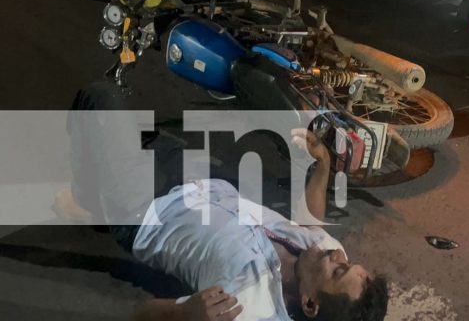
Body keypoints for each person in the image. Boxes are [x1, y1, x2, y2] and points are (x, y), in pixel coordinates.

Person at [61, 82, 389, 321]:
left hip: (144, 211)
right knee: (144, 134)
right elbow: (313, 224)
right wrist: (324, 166)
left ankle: (88, 198)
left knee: (98, 100)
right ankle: (103, 185)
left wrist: (187, 314)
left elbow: (142, 315)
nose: (337, 253)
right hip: (197, 180)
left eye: (338, 269)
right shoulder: (321, 252)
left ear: (309, 304)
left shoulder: (245, 307)